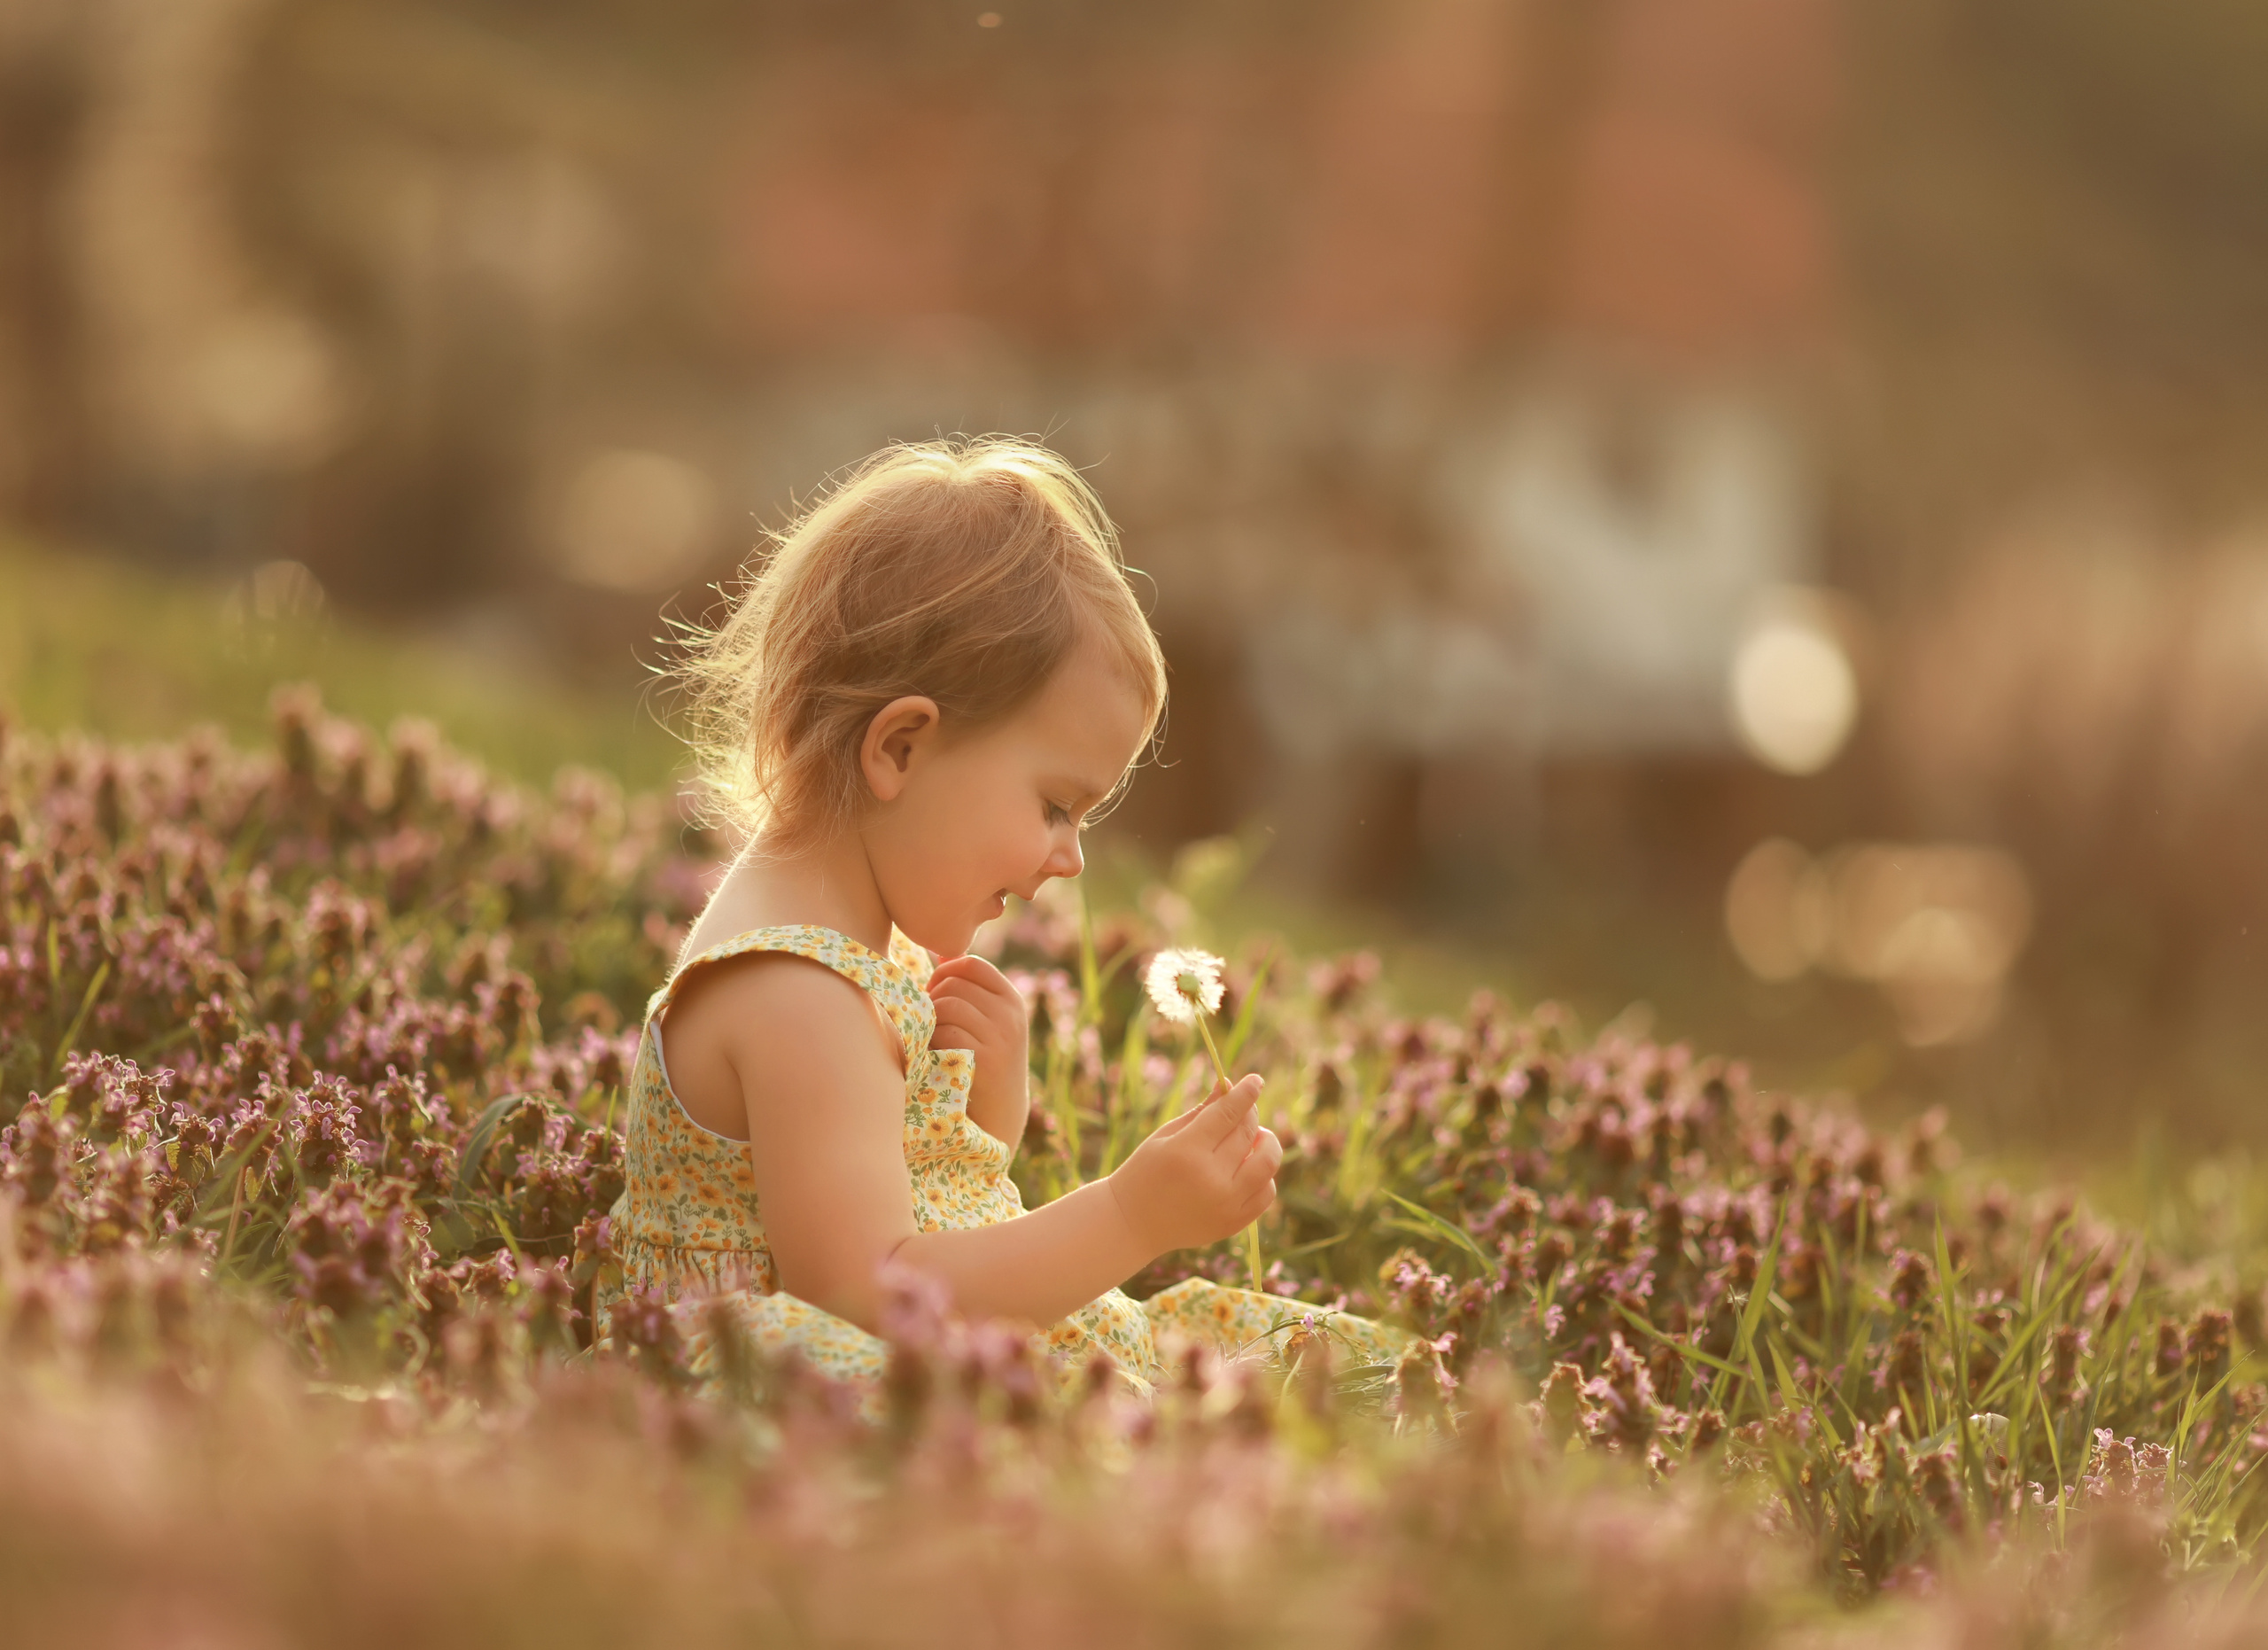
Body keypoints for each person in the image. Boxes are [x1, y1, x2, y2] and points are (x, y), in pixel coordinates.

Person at [592, 438, 1403, 1410]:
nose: (1071, 857)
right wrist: (1130, 1215)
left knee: (1308, 1372)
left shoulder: (841, 946)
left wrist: (984, 1121)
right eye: (1056, 806)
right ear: (899, 746)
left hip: (872, 1347)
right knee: (1157, 1413)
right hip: (784, 1387)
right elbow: (870, 1297)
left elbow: (887, 1201)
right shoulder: (797, 994)